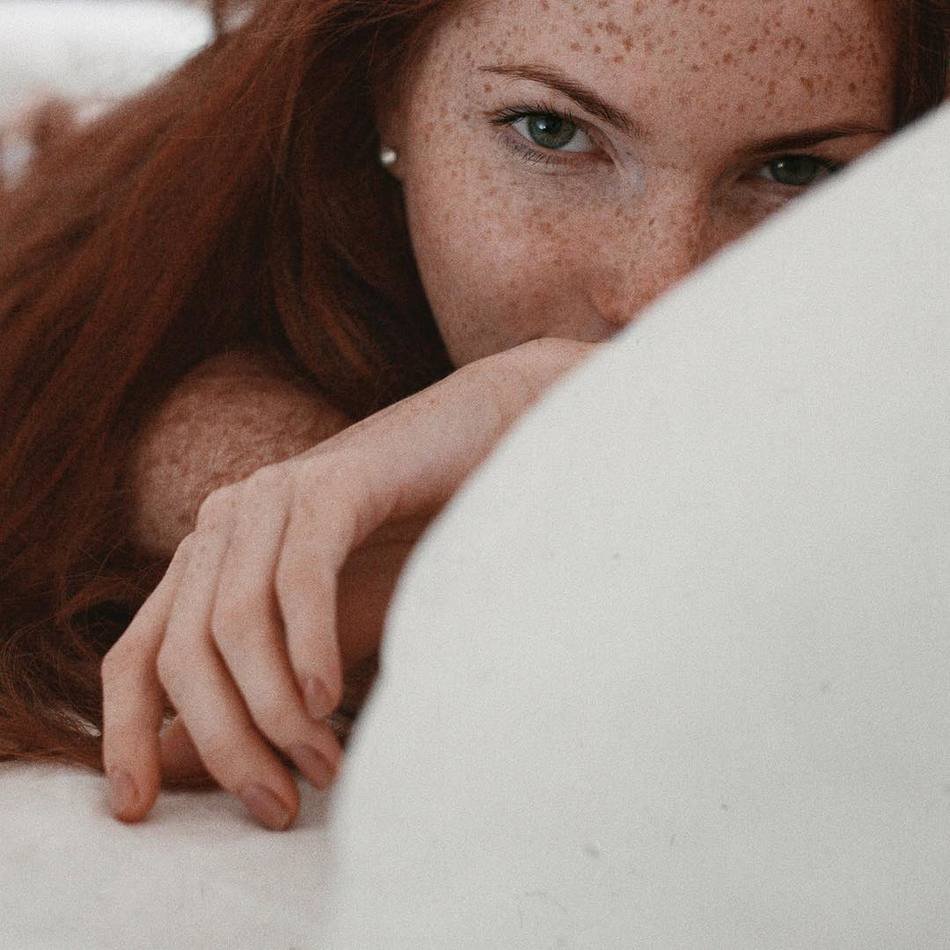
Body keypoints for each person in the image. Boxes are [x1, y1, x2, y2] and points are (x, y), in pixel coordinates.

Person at [0, 0, 945, 832]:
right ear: (386, 93)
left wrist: (523, 420)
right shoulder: (205, 339)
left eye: (793, 169)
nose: (656, 297)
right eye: (552, 131)